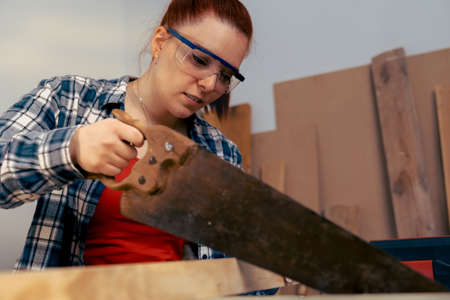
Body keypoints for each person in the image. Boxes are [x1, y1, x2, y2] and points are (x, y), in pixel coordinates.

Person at [0, 0, 277, 295]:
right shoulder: (69, 99)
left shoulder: (222, 153)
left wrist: (273, 270)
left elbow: (239, 278)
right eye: (199, 59)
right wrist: (73, 149)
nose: (211, 84)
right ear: (160, 42)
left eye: (225, 75)